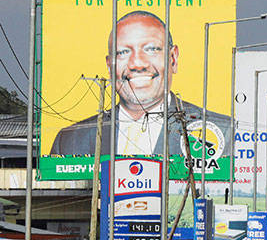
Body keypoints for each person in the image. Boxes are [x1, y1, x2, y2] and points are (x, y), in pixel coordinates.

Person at [49, 10, 234, 159]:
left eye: (151, 49)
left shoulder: (221, 131)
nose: (137, 63)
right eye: (123, 52)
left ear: (173, 58)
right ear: (109, 66)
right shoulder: (70, 140)